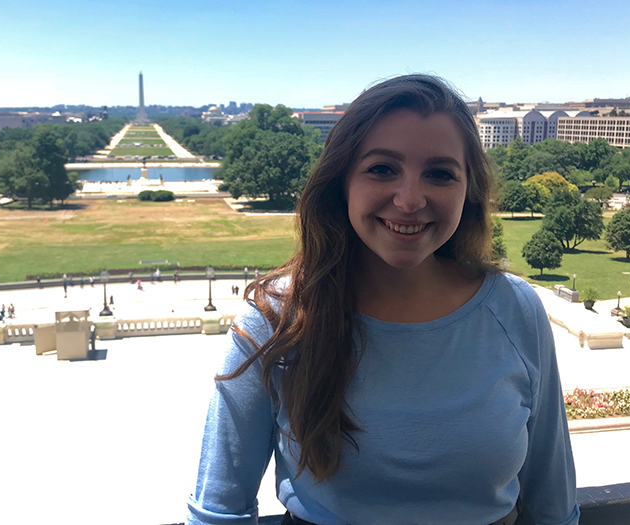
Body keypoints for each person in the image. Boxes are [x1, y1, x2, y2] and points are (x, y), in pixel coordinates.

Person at [187, 75, 579, 525]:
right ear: (342, 181)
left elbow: (553, 501)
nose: (410, 200)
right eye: (382, 169)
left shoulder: (516, 310)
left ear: (468, 189)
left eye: (439, 173)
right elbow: (218, 510)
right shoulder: (277, 317)